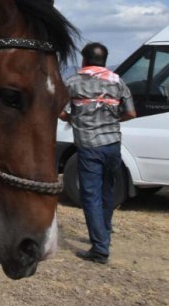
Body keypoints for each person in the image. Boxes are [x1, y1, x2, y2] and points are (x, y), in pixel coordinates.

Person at [60, 42, 137, 264]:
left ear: (84, 60)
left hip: (88, 145)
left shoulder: (73, 82)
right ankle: (105, 229)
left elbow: (60, 111)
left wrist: (75, 119)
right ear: (104, 60)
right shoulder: (117, 81)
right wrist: (113, 120)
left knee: (90, 195)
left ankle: (100, 249)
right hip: (113, 144)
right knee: (107, 188)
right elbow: (131, 112)